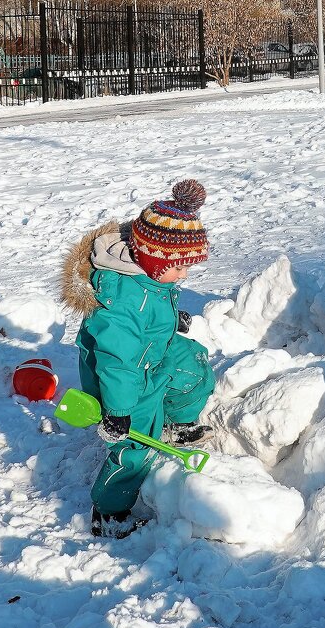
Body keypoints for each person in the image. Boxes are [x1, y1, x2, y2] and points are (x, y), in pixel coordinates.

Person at [61, 179, 216, 538]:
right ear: (152, 259)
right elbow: (117, 361)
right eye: (179, 268)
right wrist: (118, 411)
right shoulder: (122, 305)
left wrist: (169, 317)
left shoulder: (149, 279)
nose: (185, 275)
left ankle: (178, 424)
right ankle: (110, 510)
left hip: (151, 349)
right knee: (135, 443)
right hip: (126, 379)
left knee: (192, 365)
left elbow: (154, 300)